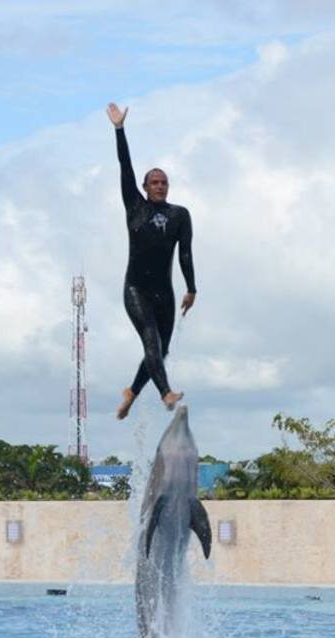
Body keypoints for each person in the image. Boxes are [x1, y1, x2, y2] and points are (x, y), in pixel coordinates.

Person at [107, 102, 197, 419]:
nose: (159, 185)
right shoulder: (135, 207)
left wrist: (191, 288)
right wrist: (119, 129)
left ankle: (131, 392)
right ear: (145, 188)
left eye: (163, 182)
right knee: (151, 342)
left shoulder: (179, 215)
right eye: (154, 182)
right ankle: (165, 393)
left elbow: (185, 251)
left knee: (162, 350)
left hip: (165, 292)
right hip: (136, 289)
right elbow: (125, 166)